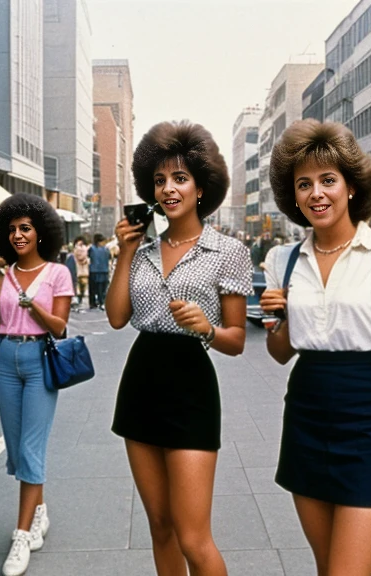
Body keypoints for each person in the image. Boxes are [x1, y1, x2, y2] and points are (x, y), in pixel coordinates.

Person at [260, 120, 371, 576]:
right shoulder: (283, 260)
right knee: (326, 567)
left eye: (327, 180)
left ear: (351, 186)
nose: (317, 193)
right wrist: (274, 321)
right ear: (293, 197)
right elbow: (281, 352)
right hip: (307, 412)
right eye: (304, 184)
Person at [107, 121, 251, 576]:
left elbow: (236, 340)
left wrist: (207, 327)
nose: (169, 189)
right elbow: (115, 317)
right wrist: (126, 251)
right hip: (141, 382)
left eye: (180, 178)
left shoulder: (227, 251)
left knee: (193, 536)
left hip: (192, 388)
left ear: (201, 187)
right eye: (160, 180)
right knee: (160, 525)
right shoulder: (143, 249)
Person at [0, 193, 73, 576]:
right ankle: (40, 511)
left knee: (32, 447)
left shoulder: (57, 273)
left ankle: (20, 534)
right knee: (17, 450)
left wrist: (32, 305)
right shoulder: (5, 273)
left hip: (39, 361)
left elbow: (60, 327)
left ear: (40, 232)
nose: (18, 235)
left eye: (26, 228)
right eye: (13, 229)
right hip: (5, 359)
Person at [87, 234, 111, 310]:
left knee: (93, 288)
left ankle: (93, 303)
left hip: (94, 270)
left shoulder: (91, 249)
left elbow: (89, 257)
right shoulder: (106, 249)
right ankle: (101, 302)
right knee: (102, 288)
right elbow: (110, 257)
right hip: (104, 270)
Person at [71, 237, 90, 307]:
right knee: (78, 286)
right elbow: (80, 256)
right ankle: (78, 300)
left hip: (83, 270)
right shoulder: (77, 250)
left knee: (83, 286)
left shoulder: (84, 250)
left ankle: (80, 300)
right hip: (79, 270)